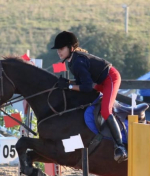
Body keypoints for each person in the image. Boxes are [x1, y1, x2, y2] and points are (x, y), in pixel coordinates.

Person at [51, 31, 127, 163]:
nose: (59, 51)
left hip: (110, 78)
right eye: (58, 49)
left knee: (105, 111)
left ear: (71, 48)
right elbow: (83, 84)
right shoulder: (71, 61)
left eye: (61, 48)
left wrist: (68, 86)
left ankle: (120, 147)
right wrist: (69, 84)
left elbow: (86, 87)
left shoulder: (78, 62)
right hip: (99, 81)